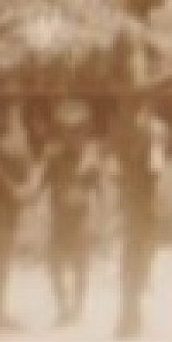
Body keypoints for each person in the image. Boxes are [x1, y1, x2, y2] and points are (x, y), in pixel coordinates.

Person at [107, 0, 172, 340]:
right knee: (139, 221)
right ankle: (129, 310)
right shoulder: (132, 32)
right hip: (136, 131)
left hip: (146, 131)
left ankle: (133, 305)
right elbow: (135, 89)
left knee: (145, 222)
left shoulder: (141, 28)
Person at [0, 102, 42, 335]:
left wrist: (30, 184)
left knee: (3, 256)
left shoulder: (17, 121)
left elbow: (31, 157)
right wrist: (12, 188)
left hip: (14, 199)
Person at [44, 97, 104, 327]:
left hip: (81, 218)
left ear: (85, 130)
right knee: (55, 263)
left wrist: (102, 217)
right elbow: (41, 181)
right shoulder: (53, 156)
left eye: (77, 130)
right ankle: (62, 307)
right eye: (67, 130)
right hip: (58, 215)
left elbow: (100, 189)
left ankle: (77, 308)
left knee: (80, 264)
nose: (72, 135)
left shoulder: (91, 156)